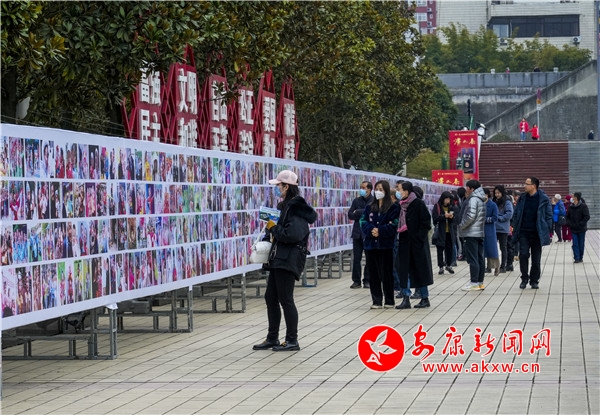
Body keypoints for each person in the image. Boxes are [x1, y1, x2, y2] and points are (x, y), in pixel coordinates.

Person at [253, 170, 316, 352]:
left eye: (278, 185)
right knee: (271, 297)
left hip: (289, 258)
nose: (276, 189)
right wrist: (271, 229)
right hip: (279, 257)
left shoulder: (296, 208)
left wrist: (273, 228)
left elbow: (292, 235)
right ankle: (272, 337)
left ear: (286, 186)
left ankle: (292, 340)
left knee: (286, 299)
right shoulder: (285, 206)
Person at [360, 180, 399, 309]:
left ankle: (389, 300)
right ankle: (376, 300)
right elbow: (363, 221)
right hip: (371, 245)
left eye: (381, 189)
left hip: (386, 245)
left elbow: (394, 224)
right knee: (374, 273)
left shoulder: (393, 208)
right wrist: (371, 230)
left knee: (387, 273)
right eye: (376, 189)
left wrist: (380, 231)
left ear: (386, 191)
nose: (378, 192)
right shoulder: (369, 207)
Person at [395, 181, 433, 309]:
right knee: (404, 270)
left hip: (416, 243)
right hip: (404, 241)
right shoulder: (400, 205)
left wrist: (419, 237)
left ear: (406, 191)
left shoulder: (418, 203)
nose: (398, 192)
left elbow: (426, 222)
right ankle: (406, 297)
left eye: (399, 189)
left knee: (420, 269)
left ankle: (424, 297)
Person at [512, 177, 552, 289]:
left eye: (527, 184)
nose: (524, 185)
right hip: (524, 232)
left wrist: (547, 229)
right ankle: (524, 278)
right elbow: (516, 213)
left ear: (534, 186)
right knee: (523, 255)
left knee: (536, 258)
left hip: (537, 233)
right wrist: (515, 224)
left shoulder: (544, 199)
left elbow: (549, 216)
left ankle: (534, 280)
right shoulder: (522, 198)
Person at [459, 180, 487, 291]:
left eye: (467, 188)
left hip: (471, 233)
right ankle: (480, 282)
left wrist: (462, 225)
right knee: (480, 258)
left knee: (473, 258)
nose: (466, 190)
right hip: (479, 232)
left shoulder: (473, 199)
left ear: (472, 189)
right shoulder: (481, 199)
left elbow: (470, 216)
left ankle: (474, 282)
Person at [348, 181, 373, 289]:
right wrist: (363, 213)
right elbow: (350, 214)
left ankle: (367, 280)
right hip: (357, 233)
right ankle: (356, 280)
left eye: (364, 187)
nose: (361, 189)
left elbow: (371, 214)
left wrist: (358, 212)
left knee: (369, 258)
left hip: (368, 234)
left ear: (369, 189)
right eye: (361, 187)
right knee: (356, 258)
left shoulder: (373, 201)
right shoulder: (356, 200)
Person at [431, 191, 457, 275]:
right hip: (440, 231)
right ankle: (441, 266)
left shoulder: (451, 207)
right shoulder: (437, 206)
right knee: (440, 249)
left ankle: (449, 265)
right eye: (446, 199)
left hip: (449, 231)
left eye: (449, 199)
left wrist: (451, 217)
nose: (448, 201)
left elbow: (455, 220)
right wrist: (443, 216)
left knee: (449, 249)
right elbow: (435, 219)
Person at [565, 192, 590, 263]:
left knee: (581, 244)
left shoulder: (583, 206)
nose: (572, 198)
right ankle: (576, 258)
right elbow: (567, 217)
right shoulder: (570, 207)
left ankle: (580, 257)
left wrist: (581, 223)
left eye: (573, 197)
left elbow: (587, 216)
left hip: (581, 229)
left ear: (576, 198)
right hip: (573, 228)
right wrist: (569, 223)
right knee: (575, 244)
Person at [494, 185, 513, 273]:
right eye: (495, 193)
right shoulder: (494, 201)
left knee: (503, 247)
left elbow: (509, 213)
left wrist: (500, 218)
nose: (497, 195)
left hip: (503, 228)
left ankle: (503, 266)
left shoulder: (507, 202)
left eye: (498, 193)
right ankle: (493, 265)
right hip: (494, 228)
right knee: (493, 247)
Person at [483, 188, 500, 276]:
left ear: (487, 195)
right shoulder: (479, 204)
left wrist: (484, 219)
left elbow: (495, 218)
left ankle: (497, 266)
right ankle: (486, 267)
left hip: (490, 229)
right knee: (482, 249)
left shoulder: (493, 205)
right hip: (480, 230)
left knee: (492, 249)